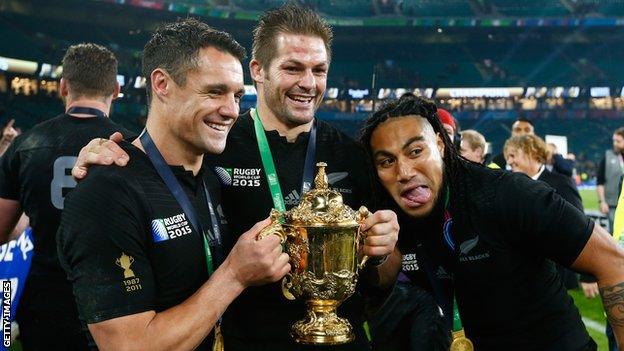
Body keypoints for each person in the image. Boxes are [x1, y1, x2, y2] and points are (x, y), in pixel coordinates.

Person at [71, 4, 399, 350]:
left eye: (319, 70)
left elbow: (382, 276)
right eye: (292, 68)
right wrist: (100, 151)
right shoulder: (216, 145)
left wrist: (380, 252)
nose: (308, 82)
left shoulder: (353, 154)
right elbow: (158, 156)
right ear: (258, 71)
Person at [57, 19, 294, 350]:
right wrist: (234, 275)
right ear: (162, 84)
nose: (231, 110)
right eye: (214, 91)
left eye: (238, 95)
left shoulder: (213, 173)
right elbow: (129, 346)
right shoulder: (107, 192)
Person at [360, 95, 624, 350]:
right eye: (387, 161)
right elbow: (384, 278)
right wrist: (377, 254)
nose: (404, 172)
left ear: (440, 145)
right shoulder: (395, 210)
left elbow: (612, 260)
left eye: (416, 151)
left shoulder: (508, 195)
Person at [0, 43, 131, 350]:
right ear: (115, 90)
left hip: (44, 298)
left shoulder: (25, 145)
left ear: (63, 87)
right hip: (115, 299)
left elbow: (1, 230)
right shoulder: (132, 148)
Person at [504, 134, 583, 290]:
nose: (509, 161)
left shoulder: (561, 183)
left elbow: (579, 226)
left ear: (532, 153)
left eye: (513, 155)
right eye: (508, 157)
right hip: (523, 275)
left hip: (557, 275)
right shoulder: (509, 186)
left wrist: (589, 274)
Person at [597, 127, 624, 233]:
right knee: (616, 234)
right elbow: (600, 181)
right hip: (613, 205)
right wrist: (602, 201)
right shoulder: (608, 156)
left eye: (618, 141)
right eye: (614, 140)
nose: (615, 143)